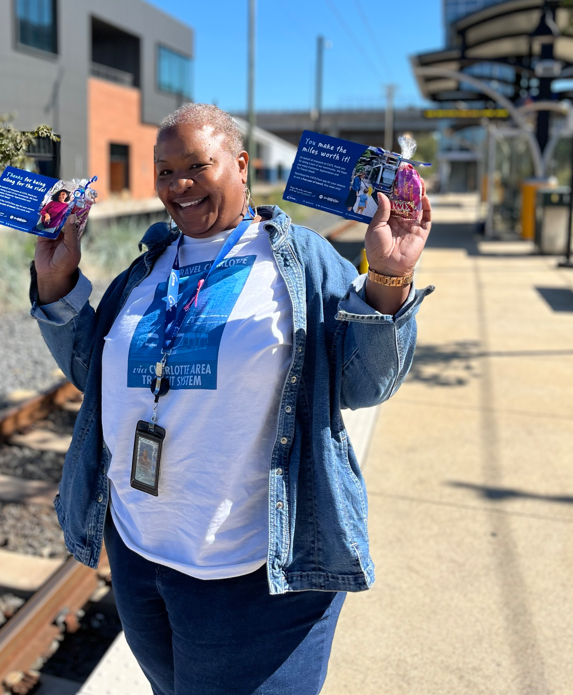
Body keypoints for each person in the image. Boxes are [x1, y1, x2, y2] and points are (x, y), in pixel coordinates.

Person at [31, 104, 433, 695]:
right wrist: (57, 284)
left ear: (241, 165)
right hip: (141, 556)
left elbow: (365, 384)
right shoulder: (145, 270)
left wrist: (388, 279)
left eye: (197, 164)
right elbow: (96, 376)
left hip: (253, 571)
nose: (178, 184)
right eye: (164, 170)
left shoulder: (301, 259)